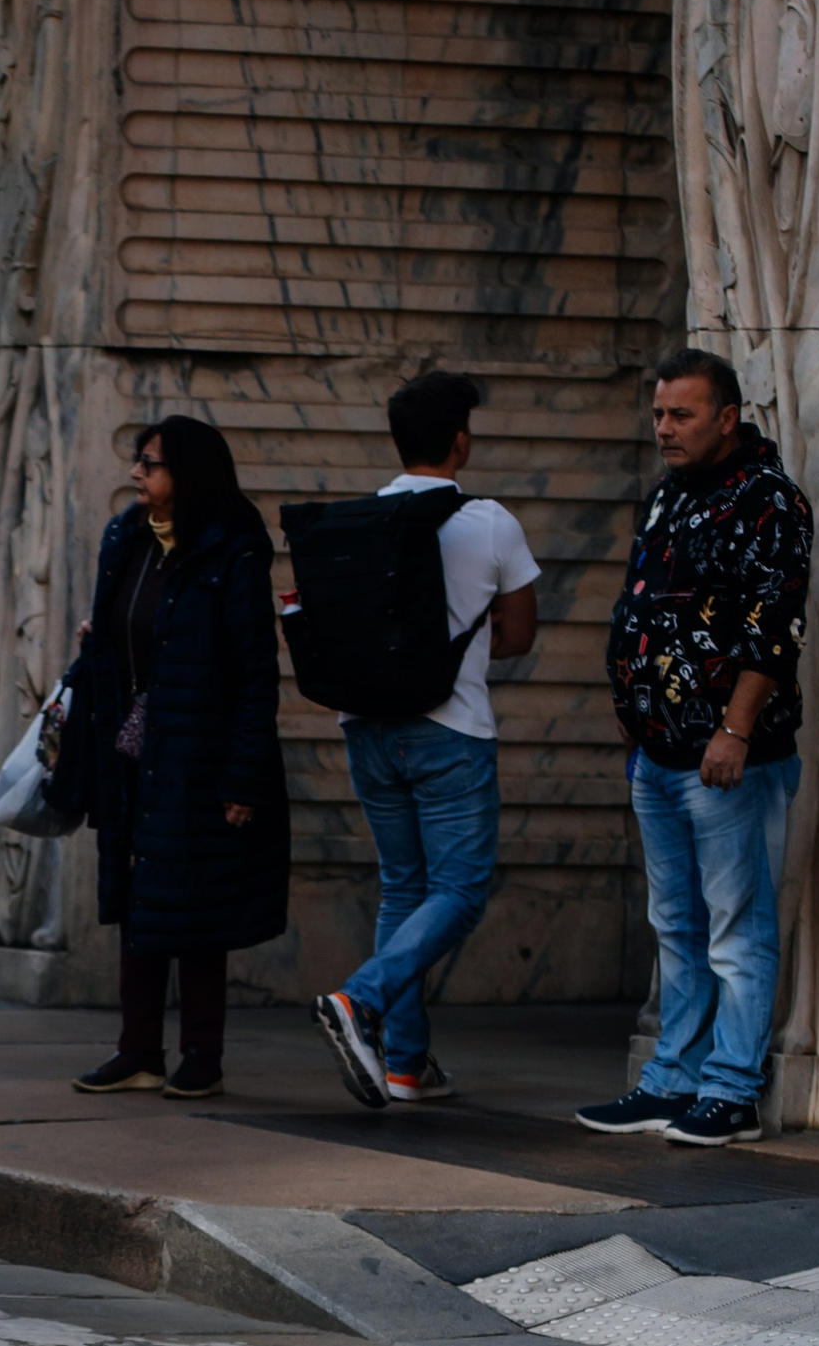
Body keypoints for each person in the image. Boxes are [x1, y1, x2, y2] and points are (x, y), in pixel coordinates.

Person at [577, 349, 810, 1148]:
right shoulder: (670, 497)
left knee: (737, 929)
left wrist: (736, 728)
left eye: (680, 415)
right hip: (660, 755)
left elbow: (772, 629)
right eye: (658, 415)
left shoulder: (768, 499)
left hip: (728, 755)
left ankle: (732, 1090)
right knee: (675, 925)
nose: (664, 429)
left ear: (727, 417)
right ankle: (672, 1080)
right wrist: (632, 711)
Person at [311, 370, 539, 1108]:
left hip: (366, 729)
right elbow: (518, 634)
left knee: (404, 887)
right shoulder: (490, 522)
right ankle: (361, 1001)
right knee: (460, 892)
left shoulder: (360, 519)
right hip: (450, 728)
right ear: (461, 442)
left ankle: (406, 1062)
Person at [70, 417, 289, 1097]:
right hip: (134, 747)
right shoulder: (126, 539)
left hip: (201, 753)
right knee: (139, 899)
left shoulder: (233, 553)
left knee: (195, 909)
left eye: (152, 463)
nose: (137, 472)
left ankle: (202, 1055)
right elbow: (117, 630)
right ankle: (137, 1050)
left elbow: (256, 675)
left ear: (186, 476)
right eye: (138, 459)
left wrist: (243, 776)